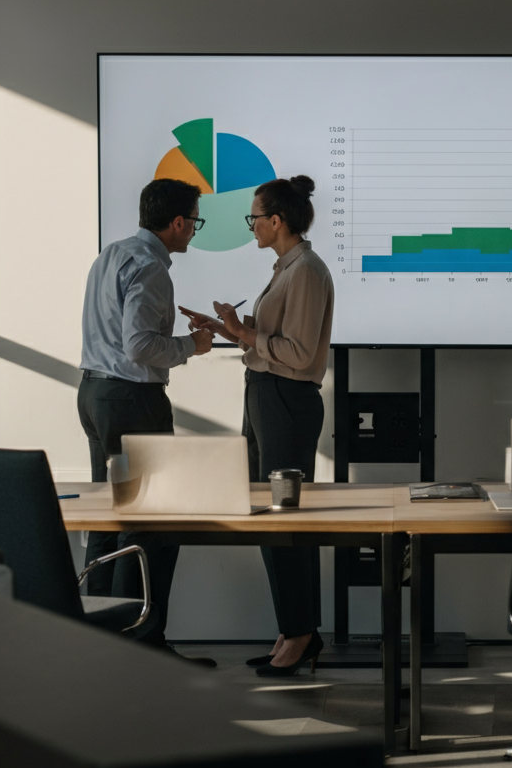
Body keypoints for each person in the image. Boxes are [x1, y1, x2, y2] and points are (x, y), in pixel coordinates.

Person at [180, 176, 334, 677]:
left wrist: (246, 332)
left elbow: (300, 353)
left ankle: (300, 633)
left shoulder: (305, 271)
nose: (251, 226)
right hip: (266, 396)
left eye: (255, 218)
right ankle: (295, 629)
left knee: (284, 522)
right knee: (273, 518)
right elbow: (273, 343)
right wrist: (233, 330)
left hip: (285, 400)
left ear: (278, 221)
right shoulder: (287, 268)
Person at [79, 177, 215, 665]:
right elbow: (139, 347)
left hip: (94, 394)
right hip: (133, 399)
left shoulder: (110, 255)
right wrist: (191, 346)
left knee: (109, 520)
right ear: (177, 222)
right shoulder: (152, 267)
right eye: (194, 222)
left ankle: (99, 645)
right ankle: (142, 650)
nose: (195, 231)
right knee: (151, 524)